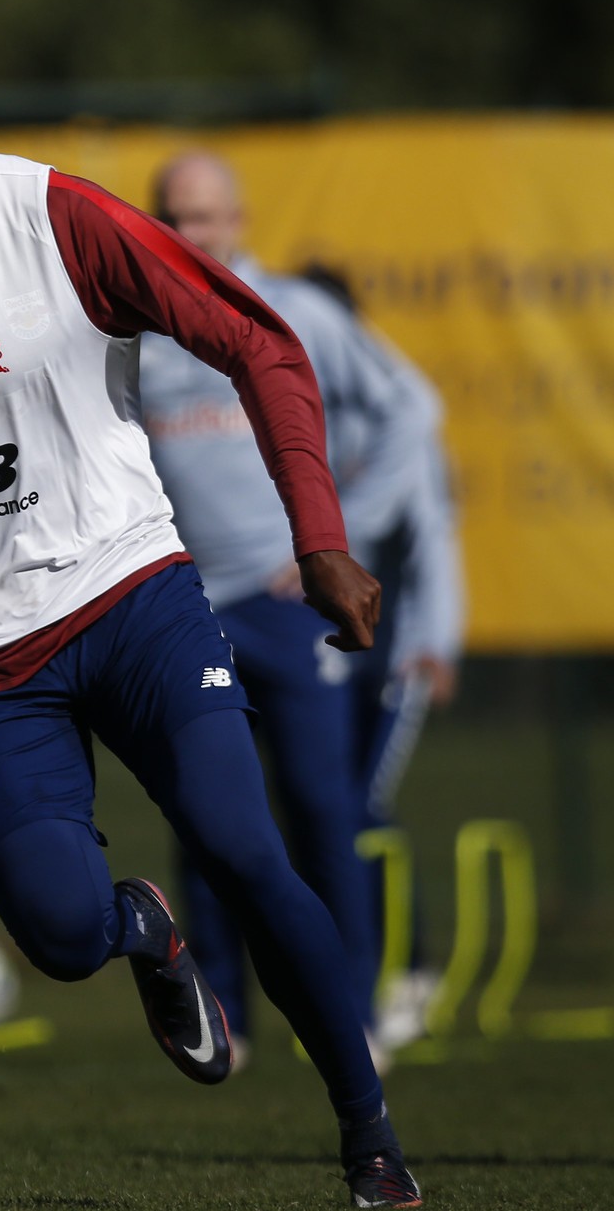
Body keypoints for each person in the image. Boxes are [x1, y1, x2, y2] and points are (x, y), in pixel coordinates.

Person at [0, 3, 420, 1207]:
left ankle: (367, 1132)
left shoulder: (57, 218)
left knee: (243, 845)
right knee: (61, 936)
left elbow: (260, 343)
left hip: (129, 598)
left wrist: (319, 538)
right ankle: (145, 933)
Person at [137, 156, 436, 1070]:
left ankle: (352, 1014)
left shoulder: (297, 311)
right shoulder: (135, 329)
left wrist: (335, 539)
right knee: (208, 812)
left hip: (292, 608)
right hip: (189, 606)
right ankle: (223, 1012)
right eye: (174, 218)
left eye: (205, 217)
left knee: (320, 806)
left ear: (238, 219)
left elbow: (413, 409)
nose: (191, 235)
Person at [300, 262, 465, 1048]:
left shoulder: (395, 415)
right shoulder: (293, 407)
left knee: (362, 806)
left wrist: (436, 640)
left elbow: (432, 537)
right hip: (322, 643)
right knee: (326, 806)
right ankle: (351, 974)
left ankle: (409, 972)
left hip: (393, 649)